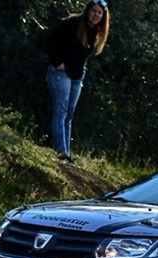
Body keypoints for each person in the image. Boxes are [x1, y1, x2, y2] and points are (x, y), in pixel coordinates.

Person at [45, 0, 110, 163]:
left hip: (77, 75)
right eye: (94, 11)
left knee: (69, 115)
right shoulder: (72, 23)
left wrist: (82, 67)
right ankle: (61, 152)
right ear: (87, 11)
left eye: (99, 13)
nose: (96, 15)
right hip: (61, 73)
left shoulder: (96, 31)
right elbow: (50, 40)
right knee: (61, 111)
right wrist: (57, 61)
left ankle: (67, 153)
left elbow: (81, 53)